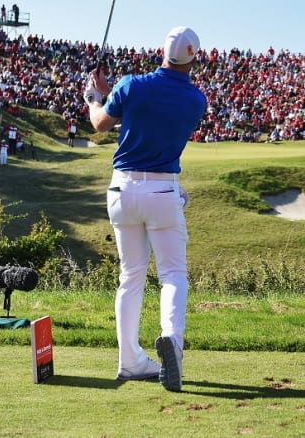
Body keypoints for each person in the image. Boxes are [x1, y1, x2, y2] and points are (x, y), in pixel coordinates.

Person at [85, 26, 207, 391]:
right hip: (163, 190)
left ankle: (129, 361)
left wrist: (95, 98)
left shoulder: (130, 85)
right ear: (194, 59)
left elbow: (100, 124)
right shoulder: (196, 100)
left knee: (131, 276)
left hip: (122, 190)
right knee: (173, 274)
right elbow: (154, 114)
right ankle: (172, 342)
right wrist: (113, 95)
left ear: (162, 52)